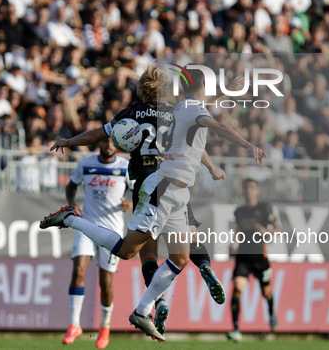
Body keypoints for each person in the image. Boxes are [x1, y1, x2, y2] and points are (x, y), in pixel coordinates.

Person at [41, 65, 266, 341]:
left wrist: (69, 140)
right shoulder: (176, 110)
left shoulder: (131, 114)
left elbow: (98, 134)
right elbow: (200, 129)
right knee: (133, 250)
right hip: (164, 183)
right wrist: (228, 93)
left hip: (152, 184)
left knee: (166, 256)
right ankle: (71, 220)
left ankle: (148, 307)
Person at [62, 138, 132, 349]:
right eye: (105, 141)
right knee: (78, 269)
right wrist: (72, 204)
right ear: (99, 143)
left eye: (113, 142)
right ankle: (74, 324)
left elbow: (138, 192)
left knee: (105, 282)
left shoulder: (125, 166)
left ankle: (104, 327)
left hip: (112, 232)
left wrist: (130, 202)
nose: (109, 145)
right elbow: (71, 186)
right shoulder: (86, 163)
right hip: (87, 226)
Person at [227, 178, 281, 342]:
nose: (249, 190)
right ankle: (236, 329)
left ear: (257, 191)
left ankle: (271, 314)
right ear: (242, 191)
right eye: (246, 188)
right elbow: (239, 229)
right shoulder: (239, 211)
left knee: (266, 292)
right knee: (237, 287)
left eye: (252, 187)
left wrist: (266, 231)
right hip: (243, 256)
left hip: (260, 257)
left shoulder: (265, 208)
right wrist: (233, 242)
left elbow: (278, 229)